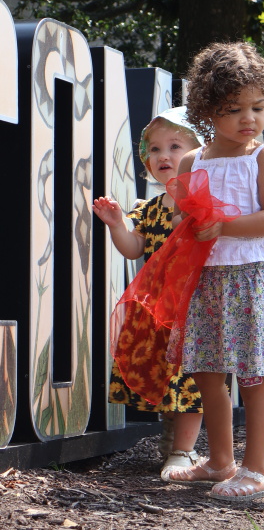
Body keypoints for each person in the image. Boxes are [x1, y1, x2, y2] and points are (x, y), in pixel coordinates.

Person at [166, 42, 264, 504]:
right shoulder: (194, 161)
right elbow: (181, 216)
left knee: (253, 378)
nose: (249, 118)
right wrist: (183, 224)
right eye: (234, 109)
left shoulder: (263, 158)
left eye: (258, 106)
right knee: (208, 374)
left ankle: (256, 469)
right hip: (208, 280)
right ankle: (219, 461)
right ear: (207, 109)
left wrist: (223, 225)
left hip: (254, 280)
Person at [92, 107, 205, 481]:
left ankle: (184, 450)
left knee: (191, 379)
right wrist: (116, 225)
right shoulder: (151, 208)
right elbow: (133, 247)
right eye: (154, 150)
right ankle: (173, 437)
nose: (163, 156)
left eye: (175, 146)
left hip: (195, 306)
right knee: (161, 375)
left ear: (198, 155)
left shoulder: (202, 202)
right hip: (157, 309)